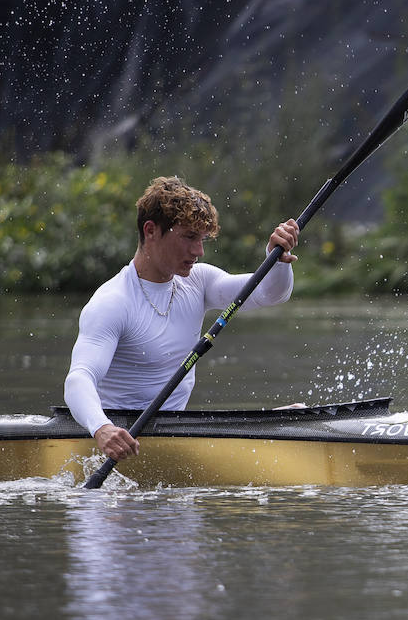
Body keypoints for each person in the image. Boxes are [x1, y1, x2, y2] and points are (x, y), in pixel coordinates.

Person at [64, 176, 299, 461]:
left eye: (202, 240)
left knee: (297, 415)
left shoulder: (197, 282)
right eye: (189, 237)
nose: (198, 251)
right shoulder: (113, 302)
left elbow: (268, 293)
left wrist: (276, 257)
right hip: (118, 445)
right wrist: (101, 429)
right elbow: (79, 378)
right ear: (151, 230)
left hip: (174, 436)